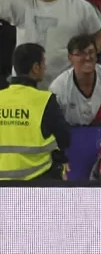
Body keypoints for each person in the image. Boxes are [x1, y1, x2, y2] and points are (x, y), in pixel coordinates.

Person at [0, 42, 71, 180]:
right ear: (35, 68)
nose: (45, 68)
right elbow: (65, 140)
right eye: (43, 63)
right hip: (36, 183)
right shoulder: (45, 100)